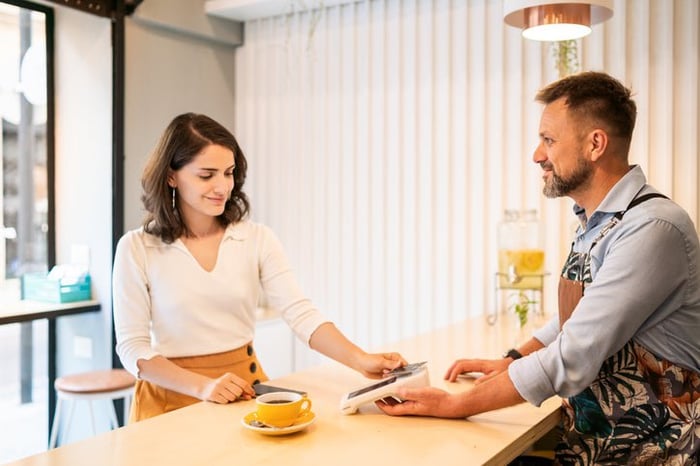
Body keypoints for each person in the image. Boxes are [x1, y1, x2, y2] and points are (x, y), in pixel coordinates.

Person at [377, 72, 700, 464]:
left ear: (595, 144)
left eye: (549, 140)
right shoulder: (595, 222)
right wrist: (514, 358)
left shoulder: (653, 228)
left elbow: (573, 355)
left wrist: (453, 404)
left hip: (650, 455)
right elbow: (579, 318)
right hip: (595, 447)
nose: (537, 155)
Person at [113, 112, 406, 422]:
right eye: (206, 175)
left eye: (228, 173)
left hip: (243, 393)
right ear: (171, 176)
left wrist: (361, 360)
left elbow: (301, 314)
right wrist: (204, 387)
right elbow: (133, 348)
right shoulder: (137, 248)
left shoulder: (255, 238)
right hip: (167, 402)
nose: (222, 186)